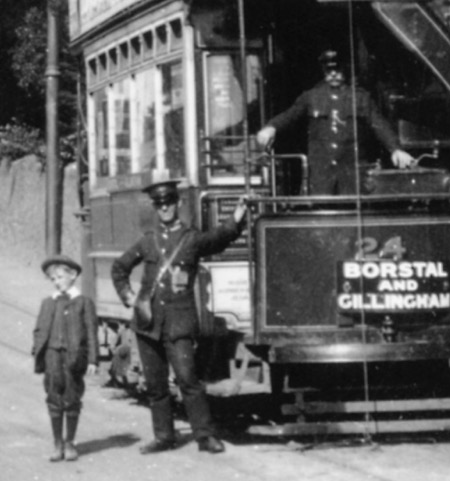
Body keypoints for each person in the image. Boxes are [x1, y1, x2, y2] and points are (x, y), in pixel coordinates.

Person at [111, 180, 247, 454]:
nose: (165, 209)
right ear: (155, 208)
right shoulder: (148, 241)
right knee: (156, 385)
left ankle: (205, 436)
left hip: (179, 324)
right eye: (160, 205)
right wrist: (128, 297)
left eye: (169, 203)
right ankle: (164, 437)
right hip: (148, 324)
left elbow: (219, 238)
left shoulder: (191, 239)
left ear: (178, 204)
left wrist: (236, 217)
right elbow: (119, 268)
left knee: (188, 380)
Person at [256, 49, 415, 195]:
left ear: (344, 69)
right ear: (323, 70)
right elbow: (290, 115)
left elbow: (379, 124)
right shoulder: (311, 97)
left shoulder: (360, 97)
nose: (333, 74)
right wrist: (272, 127)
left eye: (337, 69)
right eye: (328, 70)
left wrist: (395, 149)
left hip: (351, 173)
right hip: (322, 174)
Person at [32, 255, 99, 462]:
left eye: (60, 277)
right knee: (53, 397)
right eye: (53, 279)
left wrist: (93, 360)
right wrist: (38, 351)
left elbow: (91, 332)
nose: (56, 281)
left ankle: (70, 442)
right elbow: (39, 329)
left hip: (73, 357)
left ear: (73, 276)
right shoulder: (48, 303)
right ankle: (57, 444)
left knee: (71, 398)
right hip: (52, 356)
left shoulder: (83, 302)